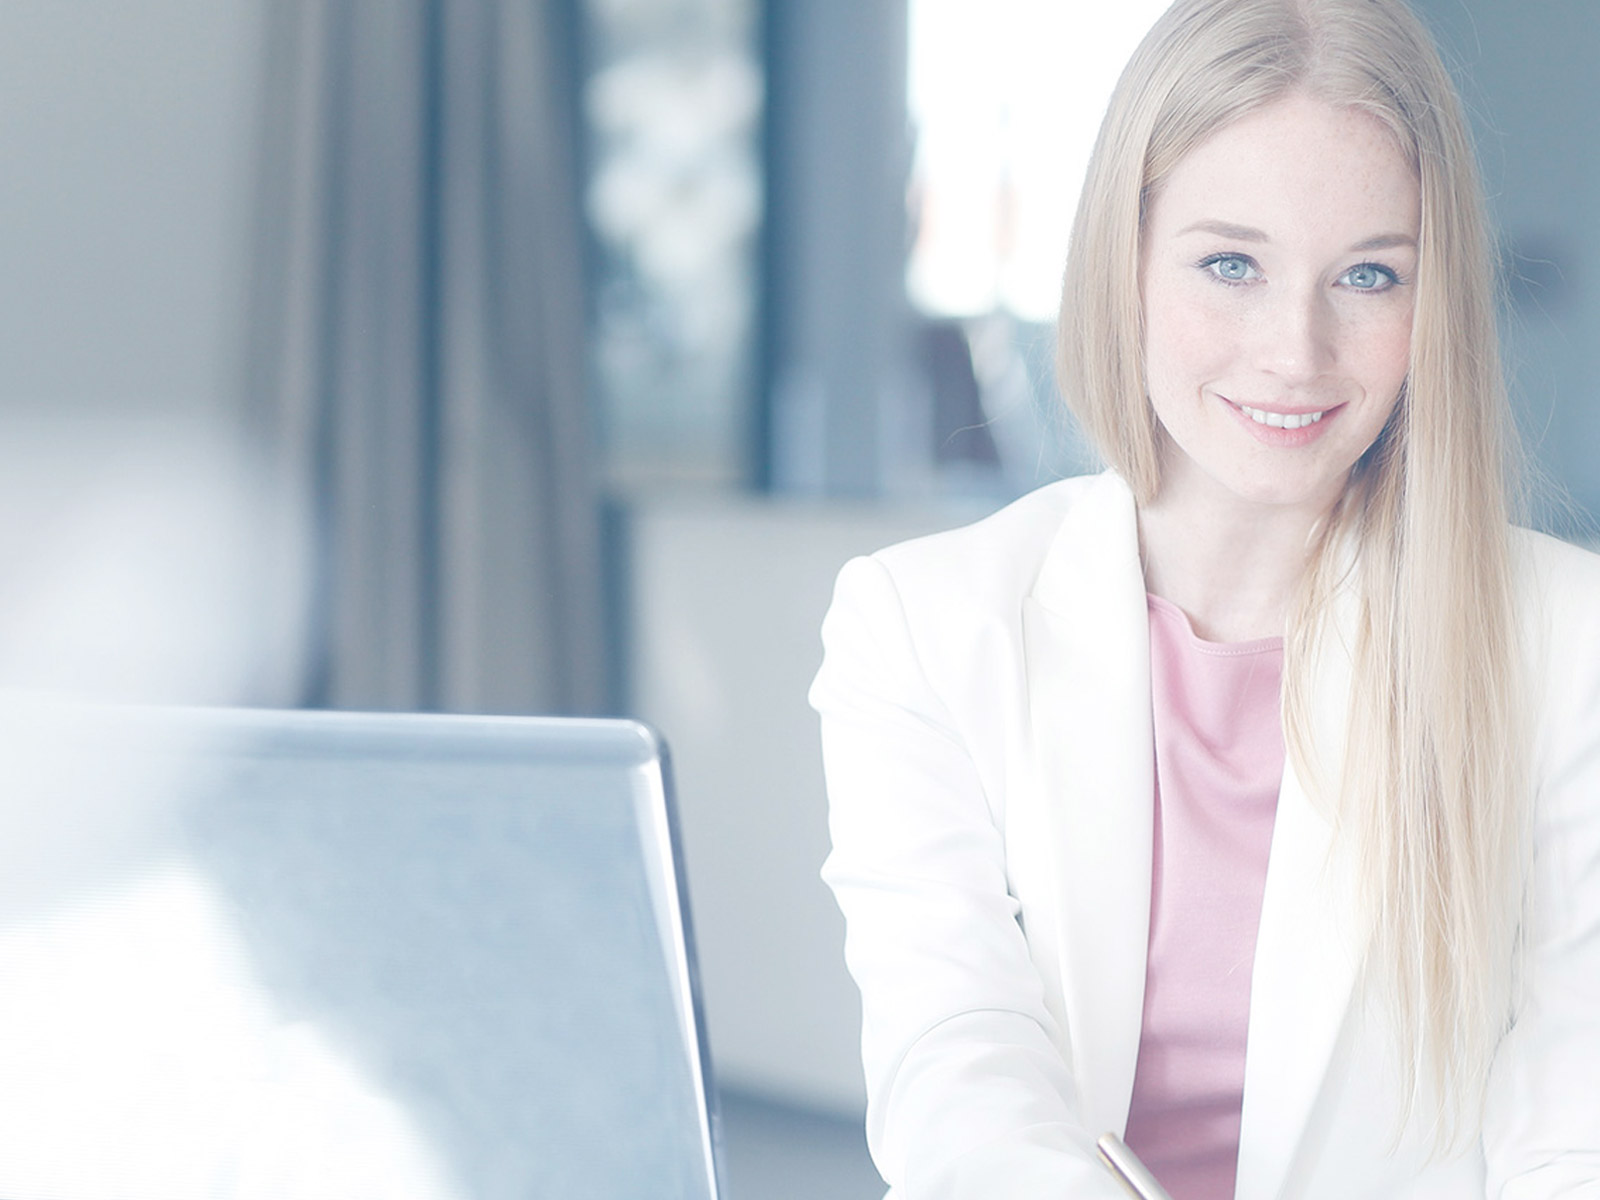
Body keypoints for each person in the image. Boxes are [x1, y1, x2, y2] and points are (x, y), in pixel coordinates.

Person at [808, 0, 1600, 1197]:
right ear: (1121, 263)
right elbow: (955, 1057)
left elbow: (1572, 1127)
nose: (1294, 349)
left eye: (1369, 275)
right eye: (1230, 264)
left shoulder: (1567, 645)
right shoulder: (920, 626)